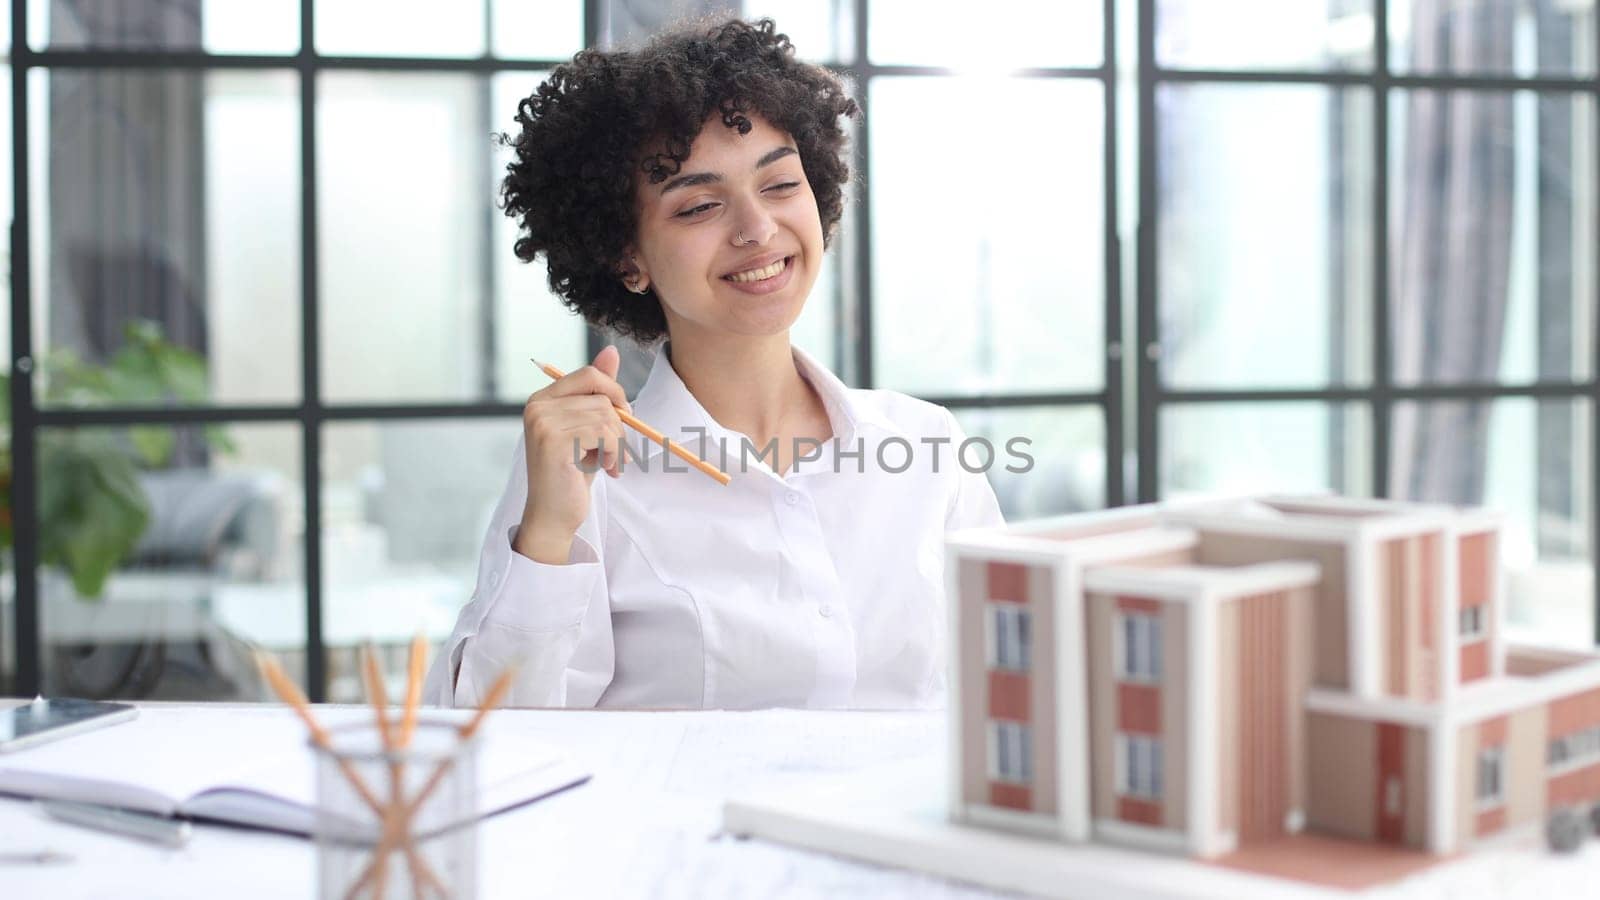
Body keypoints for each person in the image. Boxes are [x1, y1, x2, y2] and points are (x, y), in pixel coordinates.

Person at [424, 17, 1005, 710]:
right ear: (626, 256)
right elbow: (492, 739)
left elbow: (1015, 685)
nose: (756, 229)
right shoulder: (588, 474)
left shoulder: (927, 445)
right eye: (700, 205)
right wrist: (548, 536)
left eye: (780, 185)